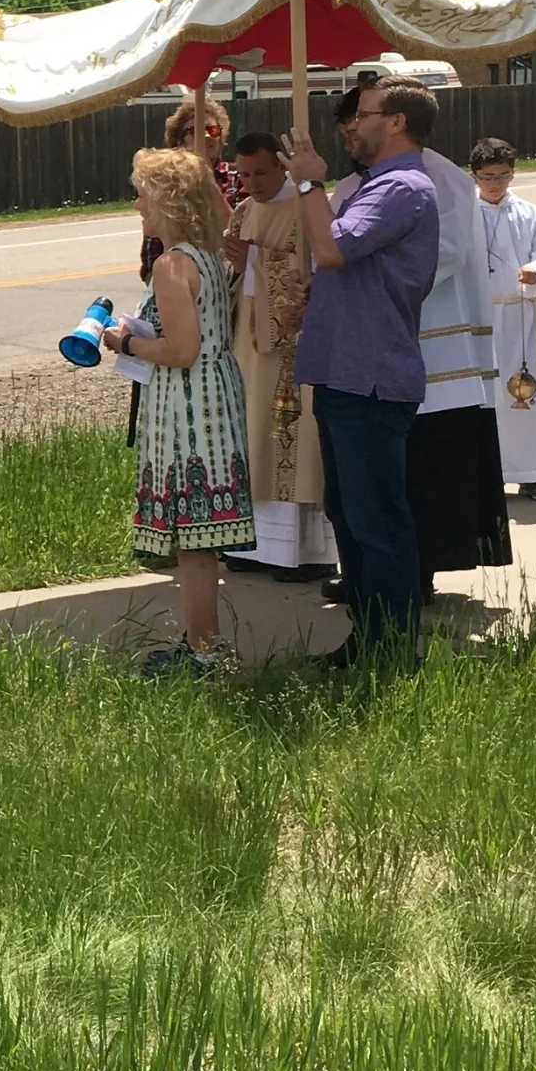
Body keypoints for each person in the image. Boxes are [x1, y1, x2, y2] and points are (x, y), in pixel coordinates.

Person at [282, 78, 440, 665]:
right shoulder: (378, 186)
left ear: (396, 122)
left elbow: (332, 249)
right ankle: (369, 638)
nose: (352, 125)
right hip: (346, 370)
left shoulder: (402, 188)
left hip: (370, 376)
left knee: (377, 520)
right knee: (349, 513)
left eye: (364, 115)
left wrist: (306, 179)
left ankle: (394, 650)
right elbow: (340, 266)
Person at [105, 147, 254, 675]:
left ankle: (204, 650)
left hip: (189, 407)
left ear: (166, 200)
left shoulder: (172, 265)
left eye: (143, 195)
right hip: (214, 397)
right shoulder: (206, 256)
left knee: (193, 540)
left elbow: (180, 349)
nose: (138, 206)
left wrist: (123, 342)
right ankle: (203, 642)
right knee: (199, 541)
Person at [219, 132, 334, 581]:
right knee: (252, 436)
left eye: (261, 173)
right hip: (249, 342)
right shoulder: (244, 211)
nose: (251, 183)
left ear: (282, 166)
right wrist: (233, 264)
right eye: (243, 174)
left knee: (293, 438)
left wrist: (256, 260)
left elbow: (315, 270)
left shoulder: (306, 209)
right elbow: (233, 273)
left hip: (292, 343)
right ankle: (254, 545)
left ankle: (304, 553)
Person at [407, 136, 512, 605]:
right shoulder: (354, 181)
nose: (352, 133)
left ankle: (423, 567)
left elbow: (444, 254)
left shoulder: (442, 177)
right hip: (389, 345)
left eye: (361, 119)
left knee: (433, 464)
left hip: (440, 350)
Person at [470, 138, 536, 502]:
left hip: (521, 316)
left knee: (527, 395)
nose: (496, 184)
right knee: (484, 398)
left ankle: (533, 474)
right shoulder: (462, 214)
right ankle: (484, 473)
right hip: (479, 319)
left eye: (503, 176)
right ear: (474, 176)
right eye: (488, 177)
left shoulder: (527, 213)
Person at [141, 95, 243, 279]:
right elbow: (151, 261)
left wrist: (206, 177)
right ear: (180, 142)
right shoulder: (168, 186)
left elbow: (239, 232)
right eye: (195, 131)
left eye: (212, 130)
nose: (206, 136)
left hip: (230, 284)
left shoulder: (238, 176)